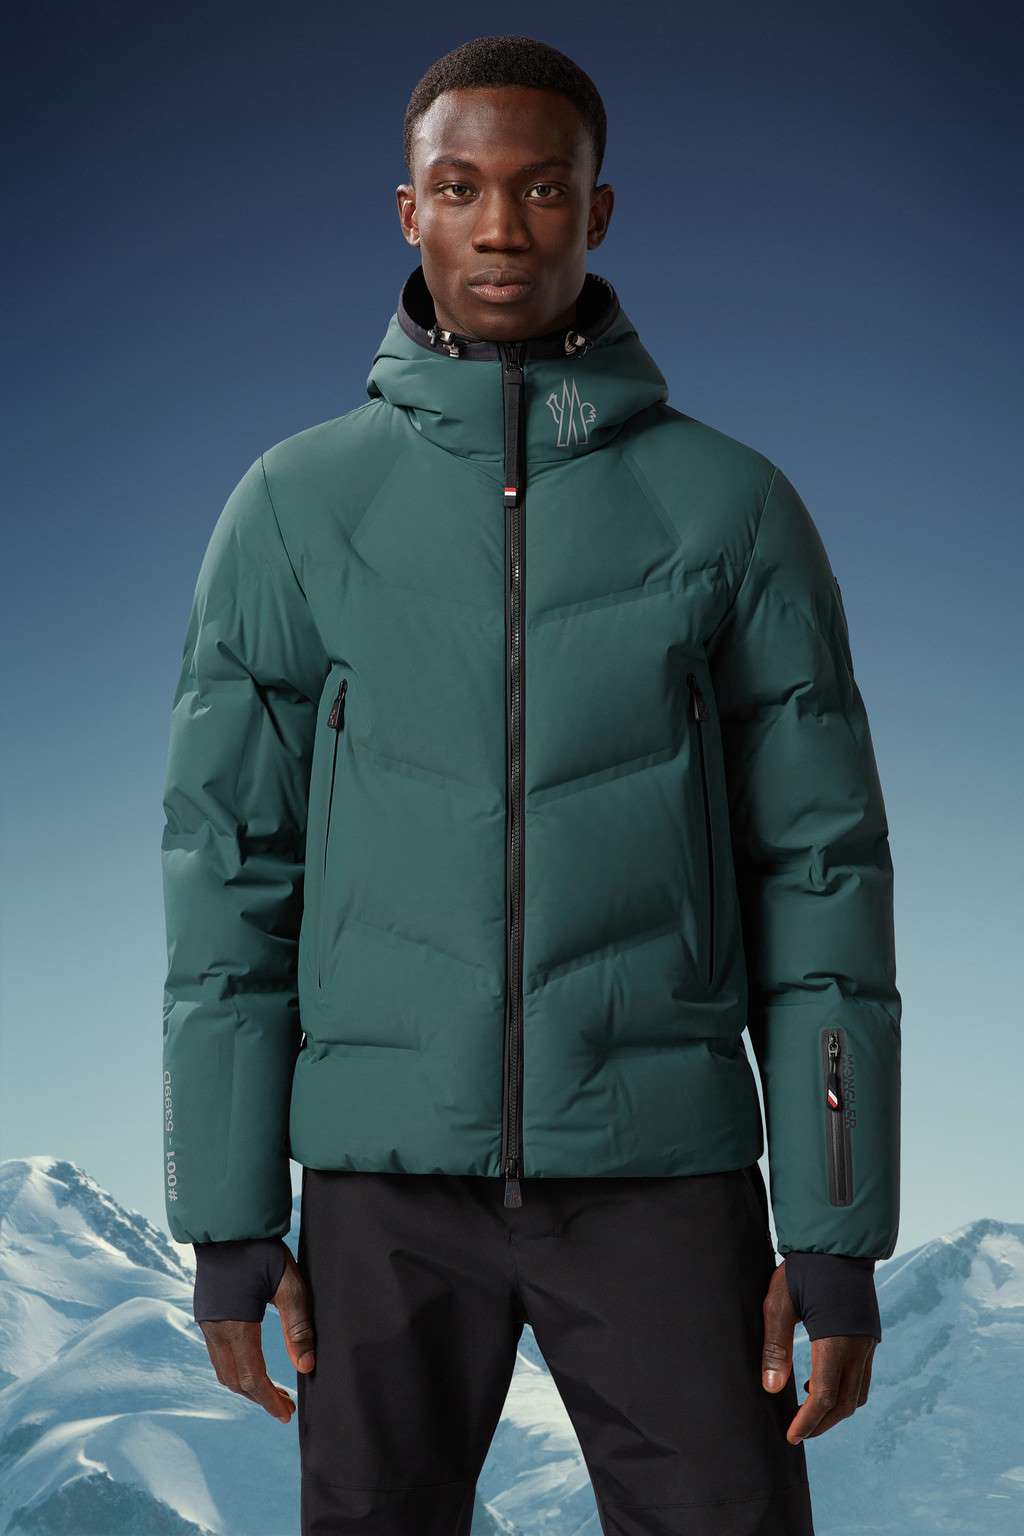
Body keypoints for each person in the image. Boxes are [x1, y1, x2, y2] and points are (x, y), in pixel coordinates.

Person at [160, 33, 901, 1536]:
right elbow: (230, 866)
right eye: (461, 187)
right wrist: (228, 1216)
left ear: (597, 211)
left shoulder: (733, 508)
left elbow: (820, 868)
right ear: (408, 210)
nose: (501, 226)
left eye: (543, 188)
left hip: (662, 1176)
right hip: (379, 1189)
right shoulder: (293, 508)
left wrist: (835, 1229)